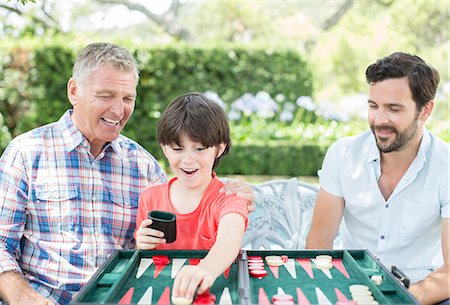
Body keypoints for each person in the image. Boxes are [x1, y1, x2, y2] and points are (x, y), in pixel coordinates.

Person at [0, 43, 254, 305]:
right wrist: (21, 297)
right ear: (74, 91)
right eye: (106, 95)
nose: (118, 110)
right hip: (43, 298)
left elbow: (171, 233)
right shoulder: (26, 153)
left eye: (127, 99)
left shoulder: (143, 166)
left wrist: (232, 192)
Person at [305, 52, 449, 305]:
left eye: (393, 109)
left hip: (423, 295)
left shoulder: (446, 166)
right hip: (351, 292)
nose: (380, 120)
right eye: (373, 106)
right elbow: (318, 244)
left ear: (425, 110)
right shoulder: (343, 155)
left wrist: (395, 300)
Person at [135, 92, 248, 302]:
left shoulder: (230, 197)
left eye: (200, 149)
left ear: (219, 149)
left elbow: (230, 236)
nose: (188, 160)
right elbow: (142, 261)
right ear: (164, 148)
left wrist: (206, 269)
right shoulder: (149, 199)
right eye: (177, 149)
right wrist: (140, 245)